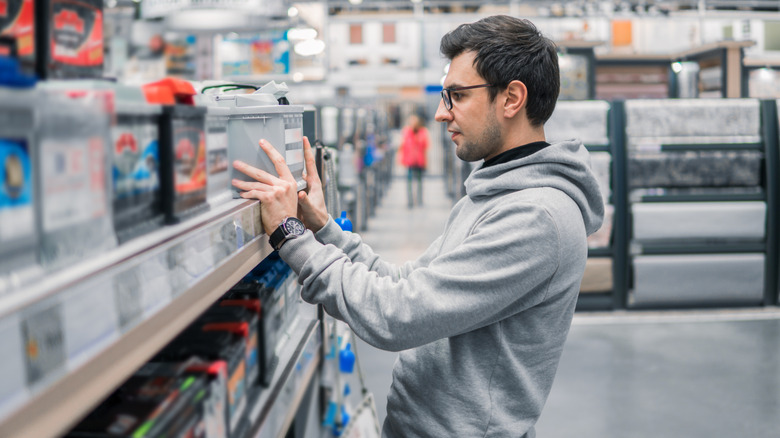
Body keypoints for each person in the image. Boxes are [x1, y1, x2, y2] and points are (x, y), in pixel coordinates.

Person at [232, 15, 604, 438]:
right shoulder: (494, 194)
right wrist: (322, 228)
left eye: (457, 95)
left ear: (512, 98)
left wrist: (288, 235)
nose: (440, 113)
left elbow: (396, 316)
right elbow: (406, 283)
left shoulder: (537, 218)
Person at [399, 113, 429, 208]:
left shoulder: (423, 132)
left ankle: (419, 199)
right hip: (410, 161)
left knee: (420, 181)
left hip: (419, 161)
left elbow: (425, 145)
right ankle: (410, 200)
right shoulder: (407, 132)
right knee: (409, 181)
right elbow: (403, 146)